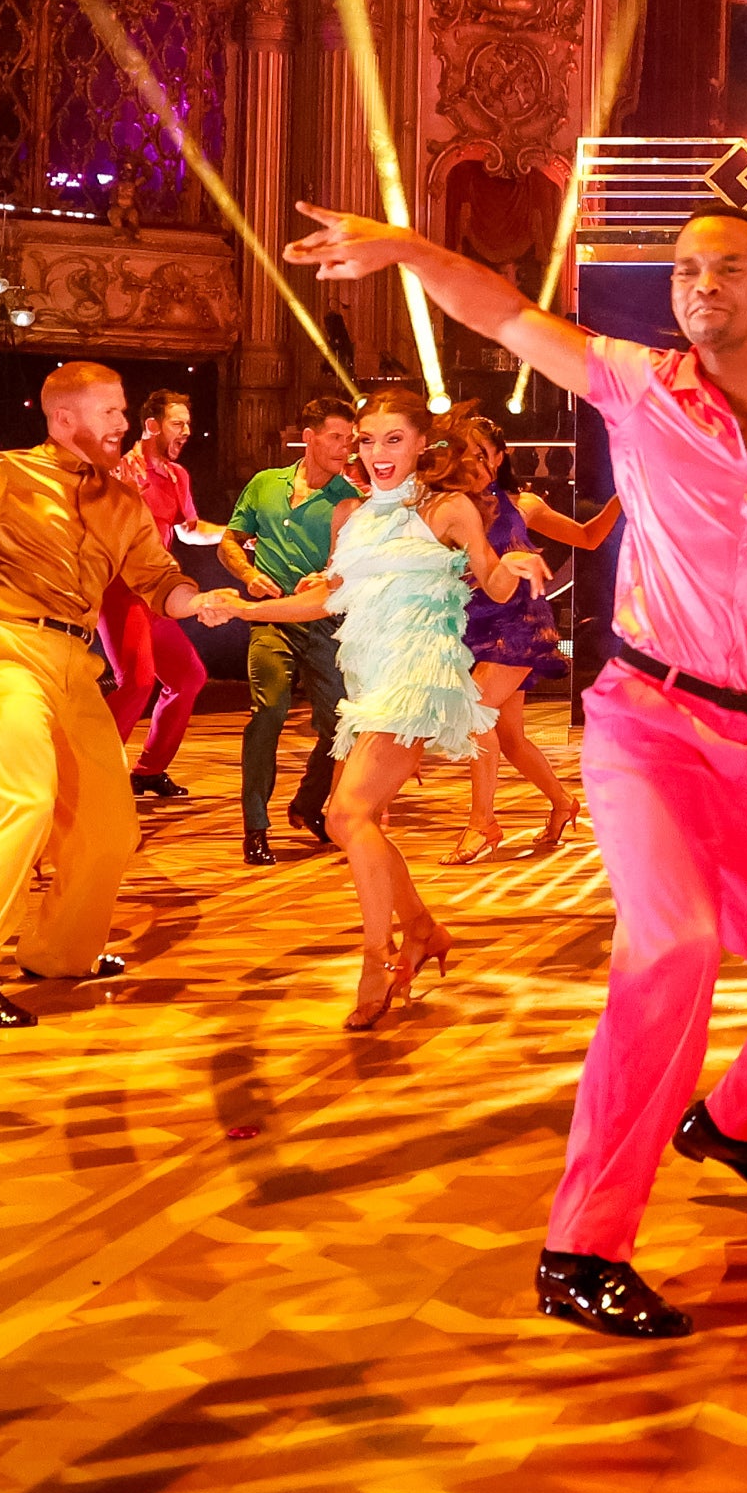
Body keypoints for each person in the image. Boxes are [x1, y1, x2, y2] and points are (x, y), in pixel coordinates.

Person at [285, 202, 747, 1341]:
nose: (700, 284)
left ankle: (729, 1122)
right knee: (673, 946)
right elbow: (508, 314)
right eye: (685, 268)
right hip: (647, 722)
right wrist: (403, 251)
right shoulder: (637, 383)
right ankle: (582, 1247)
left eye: (725, 267)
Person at [0, 362, 248, 1028]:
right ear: (64, 418)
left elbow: (155, 578)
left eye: (123, 413)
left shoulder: (119, 500)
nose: (125, 424)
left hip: (71, 660)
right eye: (112, 412)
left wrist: (197, 599)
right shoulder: (5, 473)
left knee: (111, 828)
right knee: (25, 802)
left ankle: (58, 952)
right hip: (5, 645)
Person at [216, 384, 533, 1030]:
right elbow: (326, 599)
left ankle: (376, 955)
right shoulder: (352, 516)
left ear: (422, 443)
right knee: (348, 819)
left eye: (394, 439)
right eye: (368, 440)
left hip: (417, 679)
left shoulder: (447, 509)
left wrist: (517, 565)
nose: (379, 452)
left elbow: (492, 580)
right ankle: (419, 928)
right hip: (370, 685)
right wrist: (245, 607)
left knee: (346, 812)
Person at [430, 414, 604, 863]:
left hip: (519, 623)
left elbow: (586, 537)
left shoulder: (520, 503)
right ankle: (563, 804)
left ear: (500, 458)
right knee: (509, 737)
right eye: (463, 453)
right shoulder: (443, 507)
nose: (471, 462)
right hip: (473, 625)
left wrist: (625, 500)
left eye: (481, 454)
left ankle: (482, 824)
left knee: (477, 712)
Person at [223, 395, 361, 867]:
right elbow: (229, 540)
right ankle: (255, 827)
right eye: (337, 437)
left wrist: (326, 574)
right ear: (309, 437)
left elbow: (349, 565)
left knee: (342, 723)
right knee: (270, 708)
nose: (346, 448)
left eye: (350, 439)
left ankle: (308, 802)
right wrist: (246, 575)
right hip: (271, 618)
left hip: (325, 622)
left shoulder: (348, 500)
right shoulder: (265, 484)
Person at [106, 387, 210, 801]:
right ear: (151, 425)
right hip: (120, 588)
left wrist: (237, 537)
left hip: (156, 591)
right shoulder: (116, 469)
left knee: (188, 676)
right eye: (177, 423)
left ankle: (148, 770)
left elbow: (189, 529)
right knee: (137, 682)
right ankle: (93, 766)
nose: (186, 431)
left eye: (188, 423)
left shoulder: (176, 475)